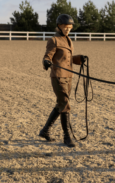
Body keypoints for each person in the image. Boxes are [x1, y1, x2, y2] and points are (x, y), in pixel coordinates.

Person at [39, 14, 85, 147]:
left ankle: (45, 131)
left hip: (68, 76)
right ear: (59, 26)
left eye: (69, 28)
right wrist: (46, 62)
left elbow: (67, 59)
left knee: (61, 104)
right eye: (65, 27)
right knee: (65, 105)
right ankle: (66, 137)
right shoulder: (54, 40)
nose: (67, 30)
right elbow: (48, 55)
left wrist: (79, 59)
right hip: (58, 77)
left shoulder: (68, 40)